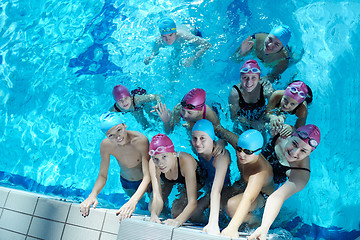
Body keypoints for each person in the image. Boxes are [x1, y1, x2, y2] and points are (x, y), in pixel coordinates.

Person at [248, 124, 321, 240]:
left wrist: (264, 227)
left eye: (303, 151)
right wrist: (273, 120)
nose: (294, 153)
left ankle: (256, 223)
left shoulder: (301, 174)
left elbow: (276, 197)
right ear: (291, 136)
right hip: (252, 171)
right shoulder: (282, 133)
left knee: (232, 207)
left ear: (309, 154)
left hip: (266, 189)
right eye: (294, 144)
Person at [80, 112, 151, 221]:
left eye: (119, 130)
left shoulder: (140, 141)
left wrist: (133, 201)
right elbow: (103, 175)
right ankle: (142, 204)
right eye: (111, 135)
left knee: (155, 205)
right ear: (106, 136)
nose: (117, 137)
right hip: (127, 182)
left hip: (147, 181)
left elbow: (147, 176)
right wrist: (92, 195)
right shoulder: (106, 145)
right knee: (141, 204)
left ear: (124, 125)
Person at [220, 129, 274, 238]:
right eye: (239, 149)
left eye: (248, 152)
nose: (241, 155)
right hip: (244, 185)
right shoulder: (242, 146)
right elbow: (218, 129)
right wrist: (219, 142)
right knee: (217, 202)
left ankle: (255, 221)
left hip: (262, 196)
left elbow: (248, 198)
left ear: (258, 151)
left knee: (232, 206)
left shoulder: (259, 172)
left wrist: (232, 228)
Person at [191, 119, 231, 235]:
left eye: (203, 138)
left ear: (212, 138)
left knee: (219, 215)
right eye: (195, 138)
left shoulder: (220, 157)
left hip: (223, 191)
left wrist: (213, 222)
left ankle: (219, 223)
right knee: (193, 215)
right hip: (208, 187)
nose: (198, 143)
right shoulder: (198, 148)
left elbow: (216, 190)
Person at [148, 134, 198, 227]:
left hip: (197, 179)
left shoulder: (186, 161)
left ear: (174, 154)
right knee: (152, 207)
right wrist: (154, 214)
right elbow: (157, 195)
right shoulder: (153, 163)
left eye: (164, 157)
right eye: (156, 159)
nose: (160, 163)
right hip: (170, 178)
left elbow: (193, 202)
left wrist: (178, 220)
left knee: (177, 211)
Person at [144, 17, 212, 68]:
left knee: (197, 64)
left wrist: (193, 58)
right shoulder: (159, 40)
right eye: (164, 36)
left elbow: (207, 45)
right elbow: (154, 52)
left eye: (170, 35)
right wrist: (150, 58)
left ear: (175, 33)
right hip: (178, 41)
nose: (168, 39)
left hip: (194, 33)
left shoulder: (184, 36)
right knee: (172, 64)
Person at [228, 59, 274, 132]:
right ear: (240, 78)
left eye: (254, 78)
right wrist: (252, 123)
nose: (249, 82)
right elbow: (234, 117)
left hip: (261, 120)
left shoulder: (265, 89)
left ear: (259, 79)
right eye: (245, 77)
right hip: (243, 123)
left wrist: (270, 94)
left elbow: (274, 109)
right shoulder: (235, 93)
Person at [155, 88, 222, 135]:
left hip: (214, 107)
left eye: (189, 112)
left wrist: (196, 126)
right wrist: (166, 122)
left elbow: (219, 131)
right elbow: (169, 132)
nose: (184, 116)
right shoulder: (178, 110)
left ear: (200, 110)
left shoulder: (208, 113)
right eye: (183, 111)